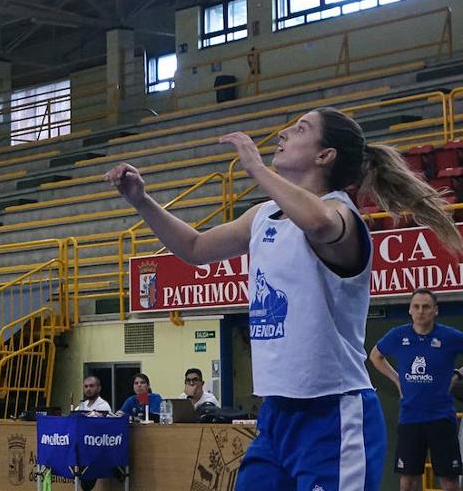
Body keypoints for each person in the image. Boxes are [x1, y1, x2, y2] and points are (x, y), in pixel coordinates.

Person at [106, 107, 463, 490]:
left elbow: (319, 223)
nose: (284, 133)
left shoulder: (342, 214)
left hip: (333, 413)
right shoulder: (263, 214)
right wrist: (142, 201)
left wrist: (257, 170)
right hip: (276, 414)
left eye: (300, 129)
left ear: (324, 155)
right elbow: (193, 247)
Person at [370, 288, 463, 491]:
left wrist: (458, 375)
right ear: (410, 310)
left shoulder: (449, 337)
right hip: (410, 418)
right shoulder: (398, 335)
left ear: (435, 311)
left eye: (426, 307)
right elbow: (375, 356)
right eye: (416, 306)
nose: (421, 311)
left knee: (449, 481)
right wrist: (396, 379)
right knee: (408, 481)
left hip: (442, 419)